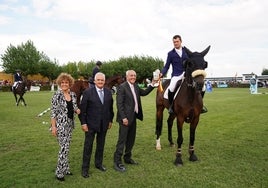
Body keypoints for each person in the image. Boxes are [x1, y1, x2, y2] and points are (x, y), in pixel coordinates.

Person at [113, 70, 157, 172]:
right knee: (122, 140)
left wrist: (153, 84)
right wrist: (123, 118)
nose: (133, 77)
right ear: (127, 76)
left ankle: (127, 158)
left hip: (133, 117)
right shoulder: (122, 87)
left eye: (134, 75)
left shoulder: (136, 86)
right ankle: (117, 162)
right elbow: (119, 104)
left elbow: (144, 92)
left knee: (131, 139)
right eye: (131, 75)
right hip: (125, 119)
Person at [160, 35, 207, 113]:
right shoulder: (170, 54)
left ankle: (200, 106)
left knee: (203, 87)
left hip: (187, 74)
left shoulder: (187, 52)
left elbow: (193, 62)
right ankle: (171, 106)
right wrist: (162, 73)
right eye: (174, 42)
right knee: (171, 88)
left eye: (177, 41)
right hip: (176, 75)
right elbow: (166, 66)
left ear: (181, 41)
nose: (175, 43)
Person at [80, 72, 114, 178]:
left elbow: (110, 109)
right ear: (94, 81)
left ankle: (98, 164)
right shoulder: (87, 92)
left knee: (101, 145)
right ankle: (85, 169)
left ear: (104, 81)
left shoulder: (109, 92)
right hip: (90, 125)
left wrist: (110, 121)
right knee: (88, 147)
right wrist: (83, 123)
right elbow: (83, 110)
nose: (100, 82)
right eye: (98, 80)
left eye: (102, 80)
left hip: (104, 124)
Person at [50, 73, 80, 181]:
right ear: (59, 83)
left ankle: (65, 168)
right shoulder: (56, 95)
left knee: (67, 148)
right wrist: (53, 127)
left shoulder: (72, 95)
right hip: (60, 126)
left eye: (66, 82)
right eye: (62, 82)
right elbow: (53, 113)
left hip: (70, 125)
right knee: (64, 148)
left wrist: (77, 110)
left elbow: (74, 106)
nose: (64, 84)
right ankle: (59, 172)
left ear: (70, 83)